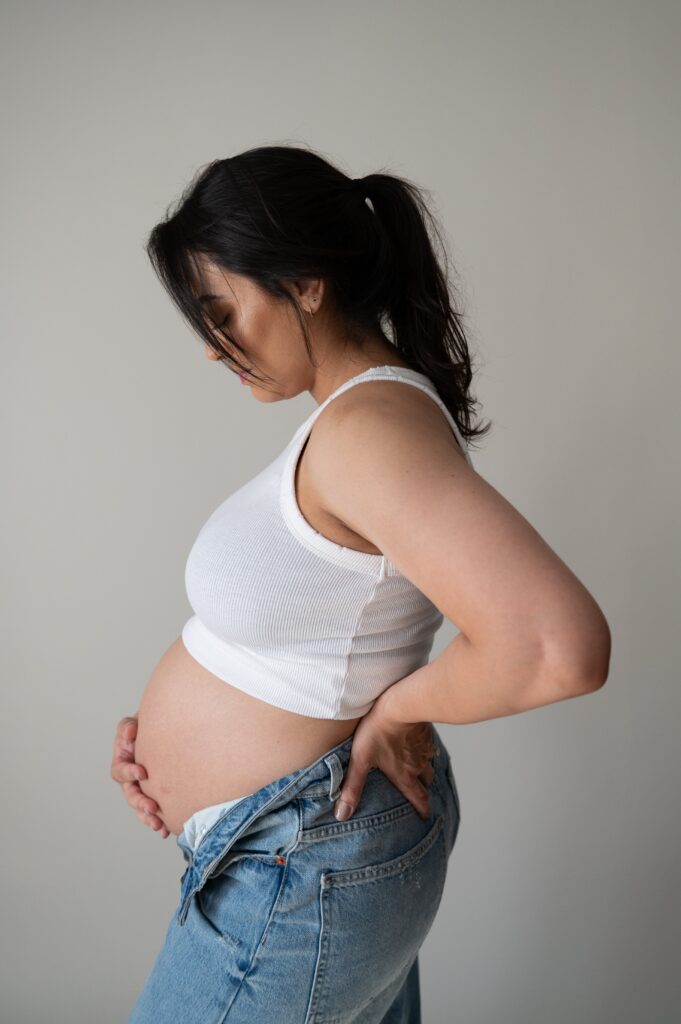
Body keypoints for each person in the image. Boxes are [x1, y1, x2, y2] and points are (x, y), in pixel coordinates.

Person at [110, 144, 611, 1023]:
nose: (212, 348)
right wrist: (168, 744)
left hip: (303, 863)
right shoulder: (356, 420)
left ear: (305, 282)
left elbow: (554, 647)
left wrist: (399, 707)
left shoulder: (370, 428)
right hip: (291, 855)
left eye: (222, 311)